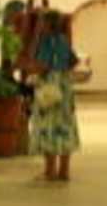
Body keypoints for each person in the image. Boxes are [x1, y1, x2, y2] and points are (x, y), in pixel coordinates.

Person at [29, 11, 81, 181]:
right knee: (66, 126)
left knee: (48, 126)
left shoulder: (45, 42)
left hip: (49, 88)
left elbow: (42, 66)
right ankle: (64, 170)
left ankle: (50, 170)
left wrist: (30, 67)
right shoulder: (63, 40)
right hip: (64, 86)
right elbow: (74, 61)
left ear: (47, 24)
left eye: (42, 23)